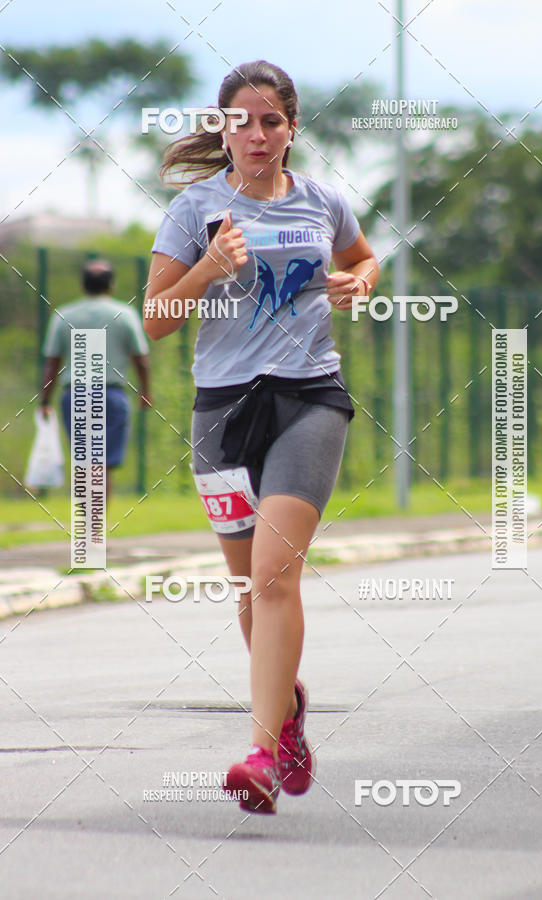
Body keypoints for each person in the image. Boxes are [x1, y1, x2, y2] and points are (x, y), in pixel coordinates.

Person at [145, 60, 378, 814]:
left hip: (310, 397)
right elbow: (154, 318)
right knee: (250, 587)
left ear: (291, 129)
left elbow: (362, 256)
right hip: (221, 412)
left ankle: (260, 751)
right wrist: (209, 267)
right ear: (222, 129)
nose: (255, 133)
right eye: (240, 121)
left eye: (270, 120)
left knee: (276, 574)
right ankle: (288, 715)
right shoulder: (195, 210)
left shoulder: (324, 201)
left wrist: (362, 281)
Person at [41, 259, 152, 504]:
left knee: (84, 463)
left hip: (75, 394)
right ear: (111, 284)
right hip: (110, 395)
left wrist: (44, 400)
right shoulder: (124, 314)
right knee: (102, 464)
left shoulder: (63, 315)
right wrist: (145, 392)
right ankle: (95, 532)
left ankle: (87, 526)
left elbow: (52, 363)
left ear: (83, 285)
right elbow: (141, 359)